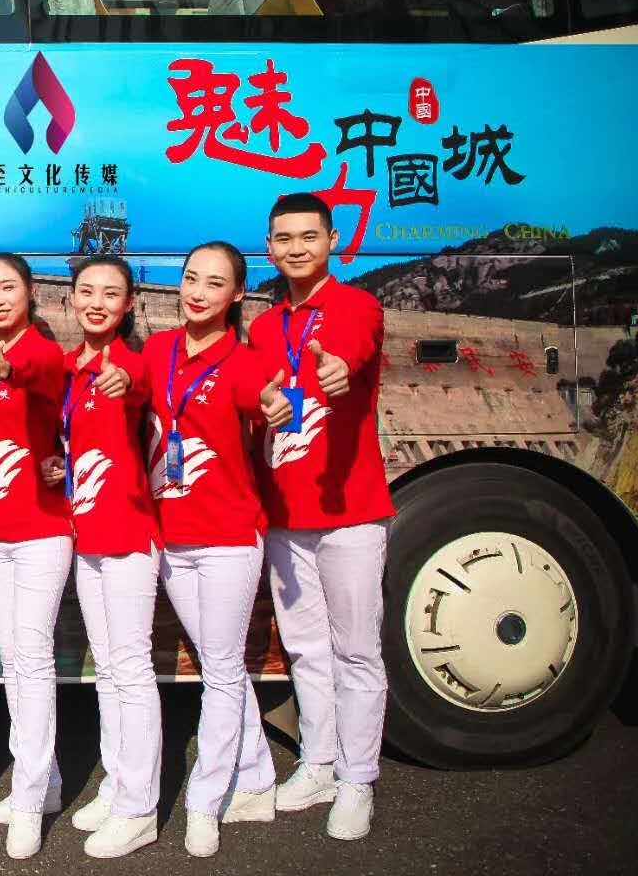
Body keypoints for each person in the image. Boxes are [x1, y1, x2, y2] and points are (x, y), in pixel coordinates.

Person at [250, 193, 394, 842]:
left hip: (348, 511)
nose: (296, 248)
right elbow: (261, 395)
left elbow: (350, 351)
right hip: (287, 512)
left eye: (309, 236)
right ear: (270, 247)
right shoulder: (264, 327)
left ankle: (358, 780)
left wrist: (337, 369)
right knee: (305, 648)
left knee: (356, 649)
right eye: (284, 238)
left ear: (333, 241)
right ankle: (318, 764)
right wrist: (263, 405)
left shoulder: (356, 306)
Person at [144, 242, 293, 857]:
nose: (198, 292)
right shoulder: (158, 351)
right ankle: (256, 779)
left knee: (223, 669)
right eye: (190, 279)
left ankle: (205, 801)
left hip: (229, 536)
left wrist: (278, 405)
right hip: (173, 536)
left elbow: (270, 399)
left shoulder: (244, 362)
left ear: (236, 295)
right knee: (217, 663)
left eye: (214, 282)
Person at [0, 253, 71, 859]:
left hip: (42, 529)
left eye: (8, 287)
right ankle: (45, 780)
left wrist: (11, 371)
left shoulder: (44, 356)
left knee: (32, 656)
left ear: (30, 294)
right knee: (14, 661)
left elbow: (41, 377)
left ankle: (27, 799)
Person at [57, 254, 163, 859]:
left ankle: (139, 808)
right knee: (108, 672)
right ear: (72, 298)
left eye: (111, 294)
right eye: (87, 291)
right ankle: (118, 782)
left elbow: (138, 389)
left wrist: (125, 383)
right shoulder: (72, 367)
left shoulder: (130, 365)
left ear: (128, 306)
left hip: (127, 538)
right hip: (88, 537)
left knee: (131, 669)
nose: (97, 302)